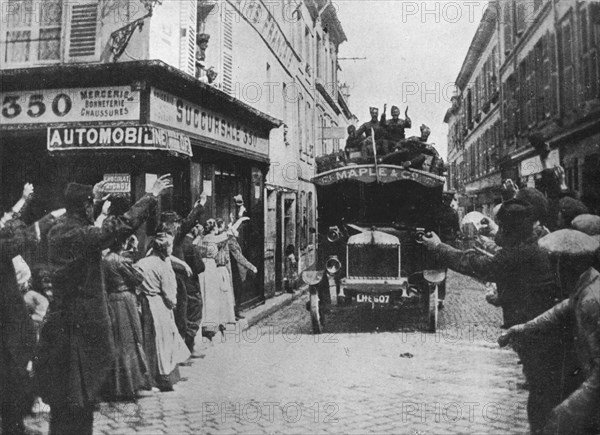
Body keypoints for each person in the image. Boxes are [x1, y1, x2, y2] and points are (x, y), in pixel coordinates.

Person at [421, 199, 573, 434]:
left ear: (511, 230)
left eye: (502, 227)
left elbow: (475, 264)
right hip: (539, 329)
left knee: (541, 397)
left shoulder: (519, 254)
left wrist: (438, 247)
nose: (498, 232)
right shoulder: (533, 245)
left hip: (534, 333)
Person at [35, 175, 172, 435]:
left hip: (62, 331)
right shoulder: (78, 234)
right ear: (84, 207)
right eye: (90, 205)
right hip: (78, 332)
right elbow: (121, 225)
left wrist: (94, 202)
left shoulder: (61, 229)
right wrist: (151, 196)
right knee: (78, 404)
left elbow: (84, 225)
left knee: (67, 405)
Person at [499, 229, 600, 434]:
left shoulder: (592, 301)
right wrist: (524, 328)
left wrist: (566, 412)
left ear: (566, 266)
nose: (553, 270)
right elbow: (560, 310)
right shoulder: (585, 285)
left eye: (555, 264)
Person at [1, 209, 59, 435]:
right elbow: (16, 242)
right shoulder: (5, 248)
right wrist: (49, 218)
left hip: (9, 326)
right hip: (7, 327)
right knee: (12, 381)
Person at [136, 232, 190, 392]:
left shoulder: (141, 262)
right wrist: (172, 304)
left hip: (145, 303)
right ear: (165, 249)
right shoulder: (163, 266)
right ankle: (164, 378)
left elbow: (136, 283)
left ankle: (148, 378)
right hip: (160, 306)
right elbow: (170, 294)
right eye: (170, 246)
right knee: (163, 342)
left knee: (148, 341)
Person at [102, 234, 150, 401]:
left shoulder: (104, 259)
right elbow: (137, 279)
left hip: (111, 300)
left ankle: (115, 386)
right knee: (130, 340)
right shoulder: (121, 260)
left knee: (116, 341)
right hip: (125, 300)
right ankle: (129, 385)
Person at [199, 219, 235, 337]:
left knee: (205, 294)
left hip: (203, 267)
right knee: (212, 296)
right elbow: (227, 235)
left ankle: (206, 322)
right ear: (214, 228)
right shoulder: (212, 238)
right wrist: (234, 223)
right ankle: (211, 324)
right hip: (210, 267)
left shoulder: (202, 238)